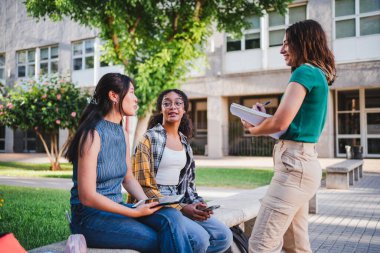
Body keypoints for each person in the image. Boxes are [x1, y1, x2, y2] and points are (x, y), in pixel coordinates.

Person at [65, 73, 195, 253]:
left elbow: (128, 179)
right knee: (160, 239)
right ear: (114, 96)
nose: (136, 99)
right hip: (90, 219)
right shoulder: (92, 134)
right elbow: (87, 196)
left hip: (117, 209)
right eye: (132, 92)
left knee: (171, 215)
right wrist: (134, 213)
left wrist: (146, 202)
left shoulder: (122, 133)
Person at [241, 20, 336, 253]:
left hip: (294, 167)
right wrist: (265, 119)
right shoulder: (317, 73)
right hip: (302, 164)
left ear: (303, 43)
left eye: (287, 43)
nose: (282, 50)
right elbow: (291, 123)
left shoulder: (304, 72)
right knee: (296, 246)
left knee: (261, 243)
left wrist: (252, 128)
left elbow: (281, 122)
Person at [131, 89, 233, 253]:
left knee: (224, 236)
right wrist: (181, 208)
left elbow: (188, 184)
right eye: (167, 103)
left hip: (180, 200)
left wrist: (197, 204)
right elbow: (143, 187)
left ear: (184, 109)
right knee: (199, 239)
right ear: (161, 109)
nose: (173, 107)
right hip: (156, 202)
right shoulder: (149, 139)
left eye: (178, 103)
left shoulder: (184, 143)